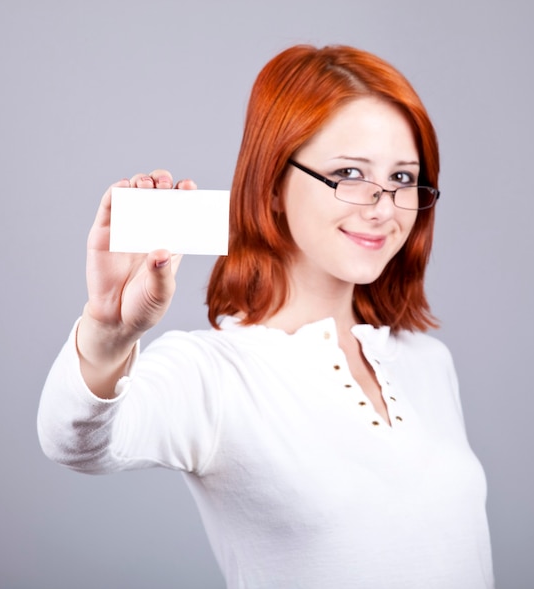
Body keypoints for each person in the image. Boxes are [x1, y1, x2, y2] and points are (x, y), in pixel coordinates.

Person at [38, 44, 494, 588]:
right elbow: (76, 444)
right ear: (274, 184)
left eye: (402, 179)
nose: (382, 207)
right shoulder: (213, 372)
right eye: (350, 172)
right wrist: (110, 331)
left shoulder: (428, 362)